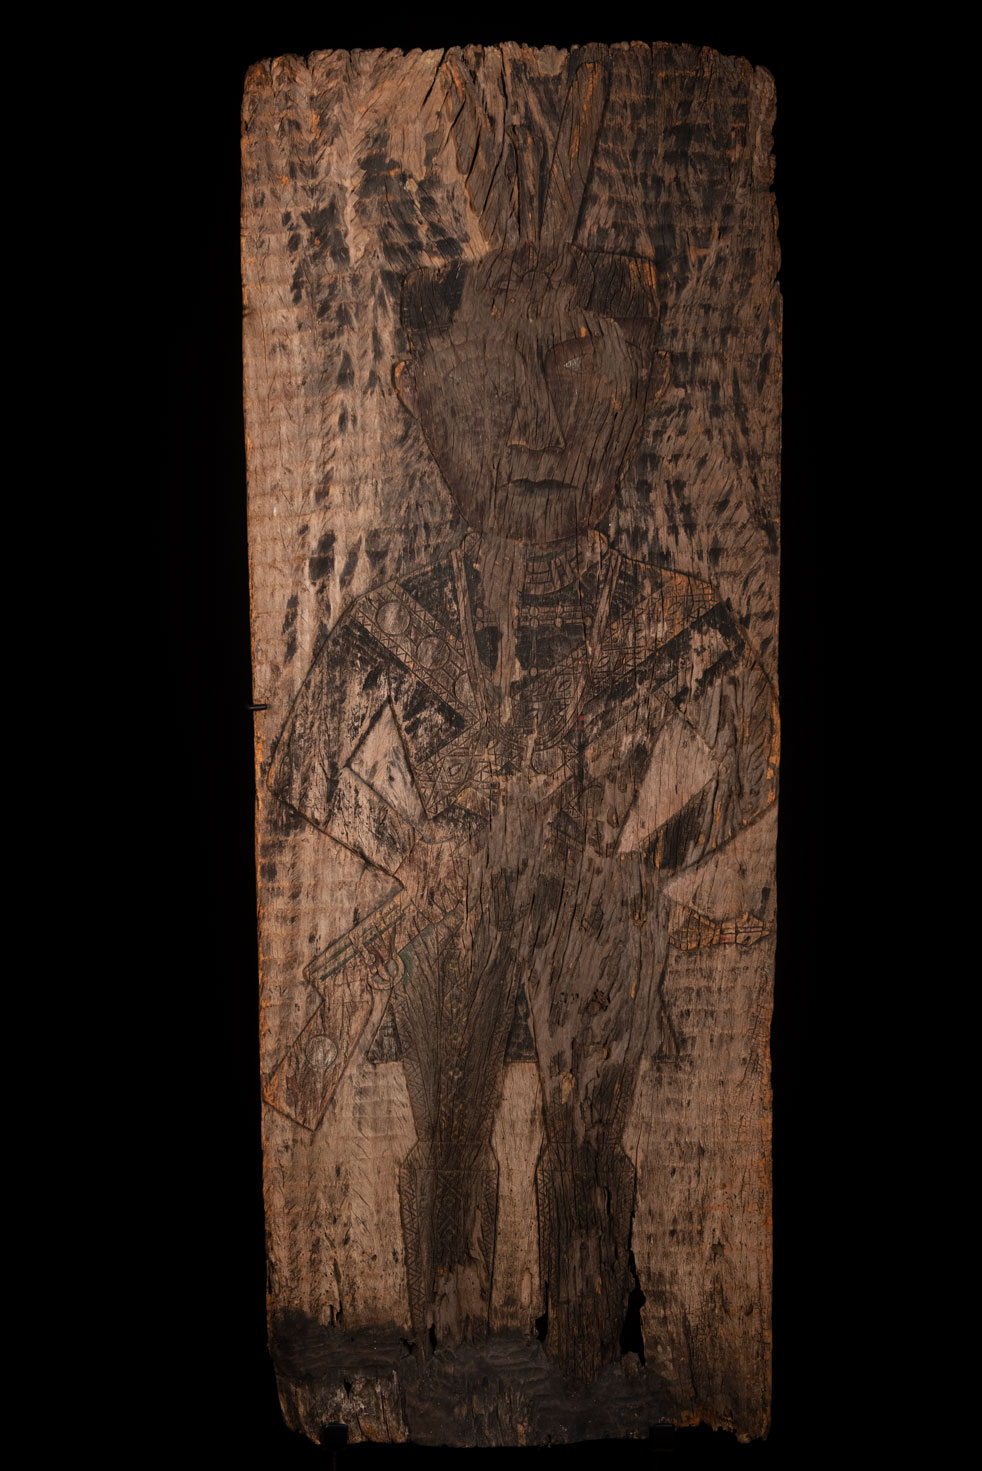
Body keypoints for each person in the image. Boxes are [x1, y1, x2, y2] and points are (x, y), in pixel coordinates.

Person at [265, 63, 778, 1381]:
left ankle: (589, 1328)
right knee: (446, 1117)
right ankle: (444, 1321)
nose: (539, 425)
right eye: (498, 378)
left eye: (581, 366)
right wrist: (410, 845)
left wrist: (636, 855)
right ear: (422, 395)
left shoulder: (668, 619)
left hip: (593, 924)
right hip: (447, 931)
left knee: (590, 1118)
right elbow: (307, 768)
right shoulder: (395, 622)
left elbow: (749, 757)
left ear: (643, 391)